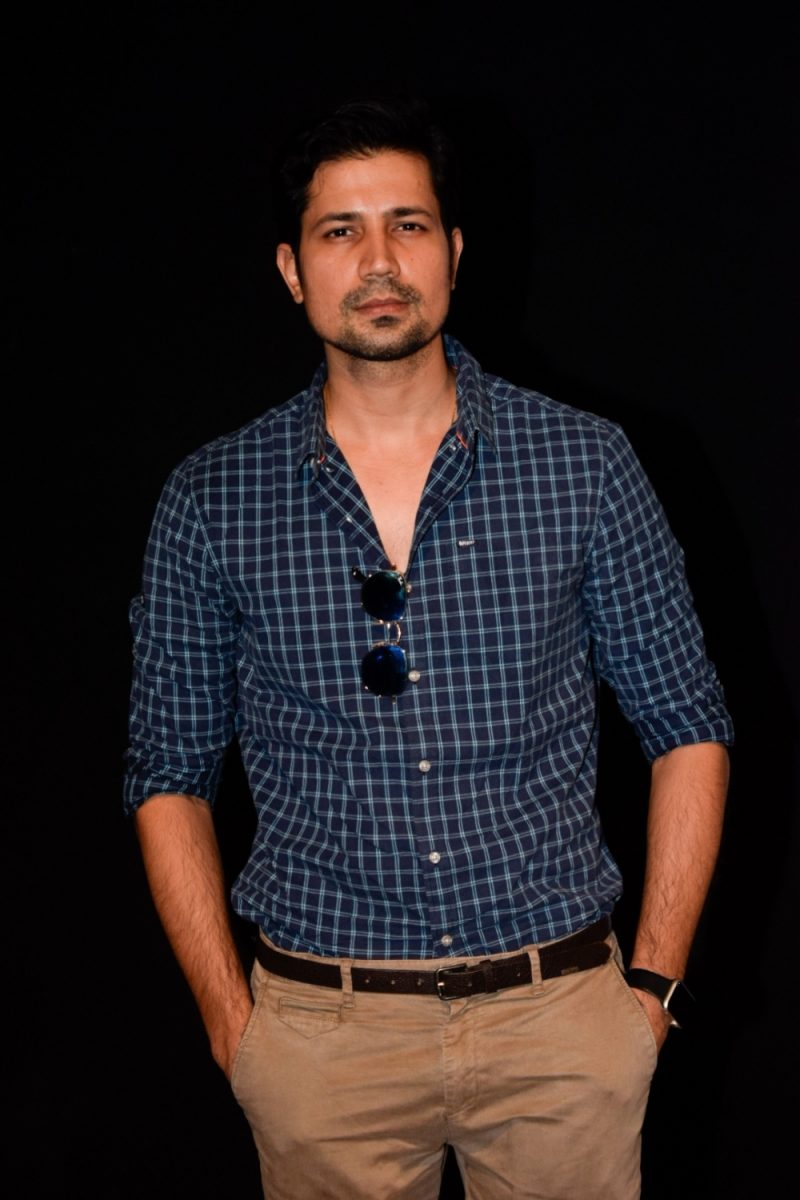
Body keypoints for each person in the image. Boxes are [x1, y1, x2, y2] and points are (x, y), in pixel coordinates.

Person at [125, 98, 733, 1200]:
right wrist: (230, 1019)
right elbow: (168, 772)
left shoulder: (584, 464)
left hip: (561, 1025)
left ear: (452, 251)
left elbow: (687, 725)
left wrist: (650, 988)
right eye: (339, 230)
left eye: (406, 225)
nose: (377, 261)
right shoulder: (212, 499)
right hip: (321, 1041)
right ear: (290, 268)